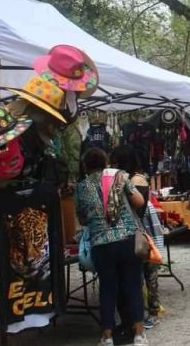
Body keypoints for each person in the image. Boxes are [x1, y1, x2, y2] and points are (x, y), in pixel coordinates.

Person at [76, 148, 148, 346]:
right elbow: (139, 201)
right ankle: (139, 335)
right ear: (105, 162)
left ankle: (107, 337)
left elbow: (82, 218)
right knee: (133, 286)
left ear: (85, 167)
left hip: (101, 244)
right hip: (127, 239)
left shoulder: (81, 187)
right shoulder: (120, 177)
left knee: (107, 289)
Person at [110, 145, 162, 330]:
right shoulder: (132, 178)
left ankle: (148, 313)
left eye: (116, 161)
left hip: (138, 229)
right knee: (145, 272)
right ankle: (148, 312)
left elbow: (137, 208)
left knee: (144, 272)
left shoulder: (136, 180)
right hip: (137, 228)